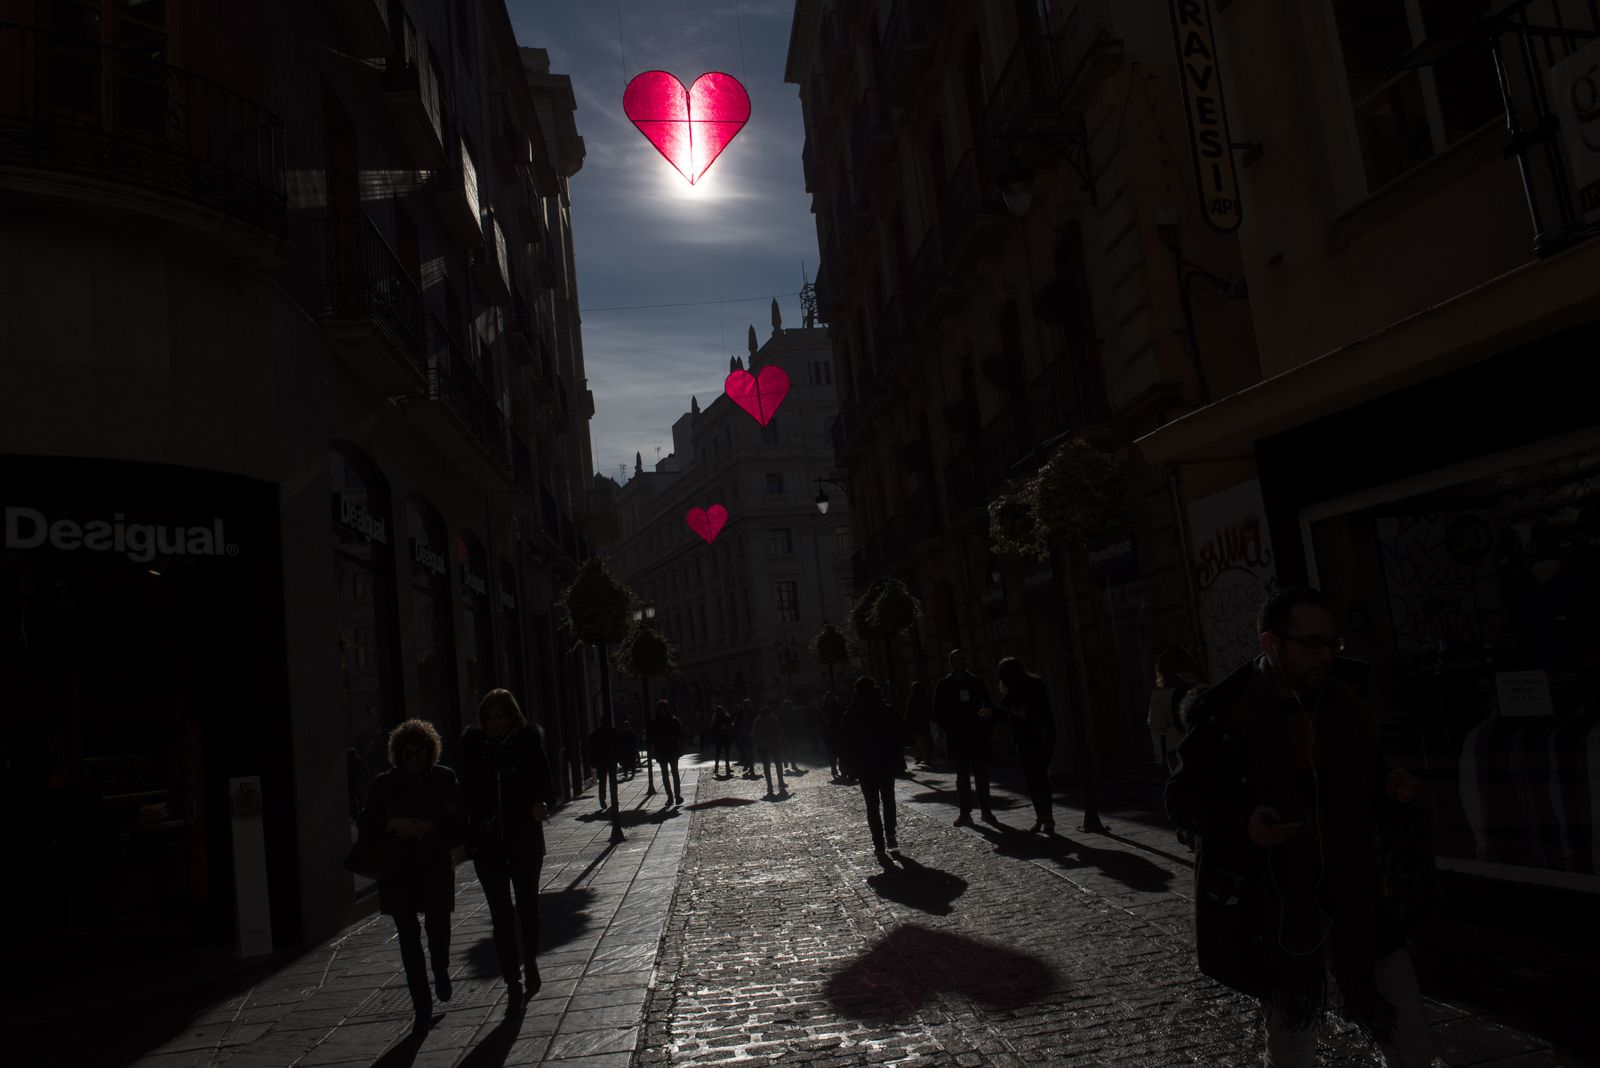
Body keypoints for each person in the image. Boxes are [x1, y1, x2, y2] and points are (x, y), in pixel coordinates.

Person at [1165, 586, 1434, 1068]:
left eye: (1332, 643)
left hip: (1357, 891)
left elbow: (1360, 776)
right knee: (1292, 1043)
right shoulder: (1226, 710)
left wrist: (1386, 785)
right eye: (1311, 644)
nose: (1325, 655)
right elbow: (1184, 798)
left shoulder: (1347, 697)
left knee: (1408, 1034)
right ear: (1271, 643)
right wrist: (1242, 822)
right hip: (1279, 901)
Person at [356, 719, 465, 1034]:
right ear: (398, 754)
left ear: (430, 752)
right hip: (397, 870)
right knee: (408, 939)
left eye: (420, 752)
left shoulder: (445, 779)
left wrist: (430, 828)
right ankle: (422, 1005)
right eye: (407, 753)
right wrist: (393, 824)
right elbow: (368, 823)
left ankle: (441, 969)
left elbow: (457, 825)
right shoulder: (383, 784)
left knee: (438, 928)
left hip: (433, 867)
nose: (414, 758)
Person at [459, 689, 555, 1016]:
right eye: (488, 718)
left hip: (525, 839)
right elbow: (465, 792)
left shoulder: (527, 743)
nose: (494, 723)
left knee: (527, 906)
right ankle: (512, 983)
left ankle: (530, 959)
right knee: (500, 914)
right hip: (488, 844)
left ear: (511, 716)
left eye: (499, 717)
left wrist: (540, 803)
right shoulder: (473, 750)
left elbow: (545, 783)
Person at [840, 676, 904, 863]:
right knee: (888, 799)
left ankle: (878, 844)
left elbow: (845, 743)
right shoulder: (884, 708)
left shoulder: (851, 713)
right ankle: (891, 835)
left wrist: (846, 767)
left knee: (872, 806)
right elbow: (899, 732)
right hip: (884, 763)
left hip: (864, 766)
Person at [932, 649, 996, 825]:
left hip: (977, 735)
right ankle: (965, 813)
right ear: (951, 662)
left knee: (981, 774)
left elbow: (989, 705)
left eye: (963, 659)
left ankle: (986, 811)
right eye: (957, 659)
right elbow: (937, 712)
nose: (960, 662)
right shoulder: (944, 685)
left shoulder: (976, 682)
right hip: (958, 737)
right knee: (962, 777)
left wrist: (987, 726)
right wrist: (948, 729)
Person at [995, 658, 1059, 834]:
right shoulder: (1035, 686)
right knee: (1038, 778)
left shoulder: (1019, 691)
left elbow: (1026, 714)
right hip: (1040, 737)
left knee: (1035, 779)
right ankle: (1045, 818)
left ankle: (1046, 818)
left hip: (1034, 738)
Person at [1149, 646, 1204, 774]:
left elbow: (1157, 727)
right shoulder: (1199, 686)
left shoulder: (1160, 694)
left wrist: (1160, 758)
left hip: (1175, 749)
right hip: (1200, 744)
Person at [648, 699, 685, 807]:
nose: (663, 712)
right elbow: (652, 738)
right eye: (661, 710)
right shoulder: (657, 723)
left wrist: (681, 747)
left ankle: (676, 795)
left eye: (664, 710)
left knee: (674, 773)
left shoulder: (672, 721)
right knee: (667, 774)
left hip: (671, 751)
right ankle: (670, 796)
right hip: (663, 751)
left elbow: (680, 735)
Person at [752, 704, 788, 797]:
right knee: (778, 764)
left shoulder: (758, 721)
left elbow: (754, 734)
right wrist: (784, 744)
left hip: (764, 746)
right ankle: (780, 782)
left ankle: (770, 786)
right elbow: (780, 732)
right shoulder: (773, 719)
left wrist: (758, 743)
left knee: (767, 766)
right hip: (774, 744)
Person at [903, 680, 933, 770]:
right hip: (924, 723)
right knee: (924, 742)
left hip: (914, 724)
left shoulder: (912, 698)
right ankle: (925, 758)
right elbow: (929, 710)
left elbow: (908, 712)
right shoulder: (925, 697)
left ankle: (918, 758)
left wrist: (906, 723)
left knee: (916, 742)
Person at [586, 721, 615, 810]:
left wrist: (592, 761)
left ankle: (602, 799)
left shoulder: (595, 733)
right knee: (612, 780)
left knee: (602, 781)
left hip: (600, 761)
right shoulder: (612, 732)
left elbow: (591, 748)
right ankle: (613, 799)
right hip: (609, 759)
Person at [819, 690, 845, 779]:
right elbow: (821, 722)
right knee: (831, 753)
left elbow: (842, 718)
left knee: (840, 752)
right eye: (828, 698)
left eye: (831, 698)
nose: (829, 700)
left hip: (837, 732)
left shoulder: (838, 707)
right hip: (829, 734)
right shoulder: (824, 708)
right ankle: (834, 768)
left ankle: (842, 768)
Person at [709, 703, 736, 776]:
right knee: (726, 753)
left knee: (718, 753)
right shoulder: (726, 717)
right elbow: (731, 726)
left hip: (720, 738)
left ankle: (717, 768)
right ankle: (726, 768)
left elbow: (712, 728)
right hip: (725, 737)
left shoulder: (716, 718)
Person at [735, 699, 759, 779]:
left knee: (750, 752)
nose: (747, 706)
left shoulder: (753, 713)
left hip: (750, 735)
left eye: (748, 705)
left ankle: (751, 768)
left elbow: (756, 722)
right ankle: (746, 763)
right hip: (742, 735)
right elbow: (736, 722)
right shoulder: (740, 713)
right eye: (745, 705)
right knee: (743, 751)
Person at [780, 699, 804, 774]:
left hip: (791, 734)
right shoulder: (782, 713)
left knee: (792, 749)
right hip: (786, 734)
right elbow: (780, 724)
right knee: (788, 748)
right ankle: (787, 761)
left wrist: (799, 732)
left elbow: (796, 723)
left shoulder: (790, 713)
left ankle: (791, 762)